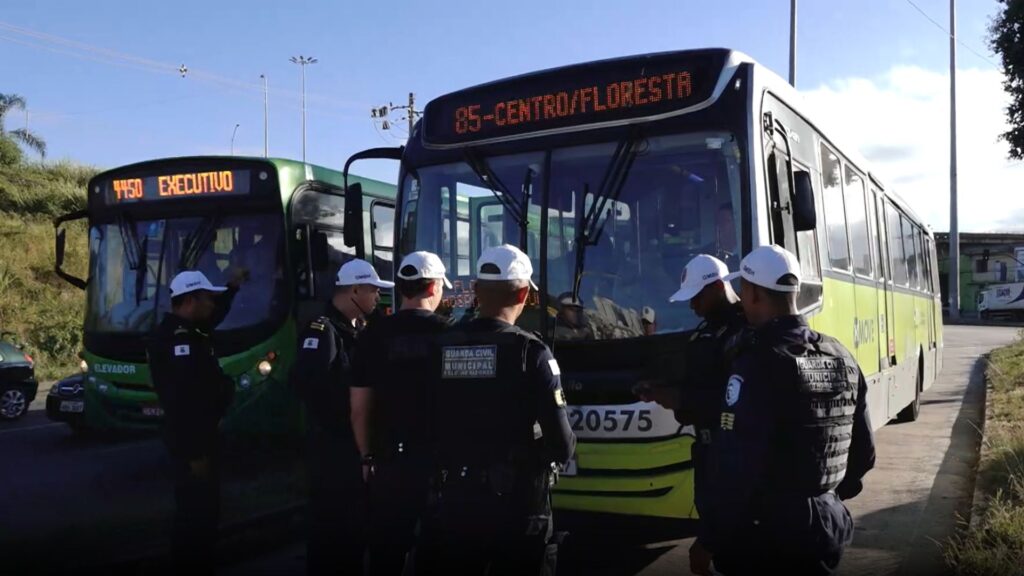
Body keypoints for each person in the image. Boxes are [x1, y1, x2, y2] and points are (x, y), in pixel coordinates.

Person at [697, 245, 876, 576]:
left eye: (743, 289)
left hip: (765, 540)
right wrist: (825, 496)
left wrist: (709, 539)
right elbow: (863, 453)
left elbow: (736, 469)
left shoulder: (757, 363)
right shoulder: (841, 355)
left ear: (752, 294)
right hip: (826, 530)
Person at [414, 244, 576, 576]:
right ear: (522, 297)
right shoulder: (531, 352)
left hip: (454, 500)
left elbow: (423, 420)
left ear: (475, 290)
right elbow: (562, 442)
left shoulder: (440, 347)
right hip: (517, 505)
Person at [633, 254, 745, 574]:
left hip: (734, 455)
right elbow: (698, 385)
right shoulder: (704, 334)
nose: (692, 306)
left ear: (719, 287)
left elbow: (736, 402)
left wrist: (679, 397)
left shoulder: (746, 333)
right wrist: (665, 391)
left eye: (697, 297)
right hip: (709, 454)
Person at [287, 258, 394, 576]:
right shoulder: (323, 330)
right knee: (333, 531)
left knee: (352, 531)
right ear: (355, 290)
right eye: (373, 291)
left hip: (346, 446)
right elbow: (308, 383)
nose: (377, 298)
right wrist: (344, 416)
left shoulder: (353, 330)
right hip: (333, 450)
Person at [350, 251, 453, 576]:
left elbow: (359, 408)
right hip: (441, 464)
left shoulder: (372, 335)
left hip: (389, 461)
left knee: (386, 550)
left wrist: (366, 457)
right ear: (434, 287)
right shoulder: (451, 335)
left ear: (401, 287)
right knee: (437, 551)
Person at [146, 269, 243, 575]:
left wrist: (232, 288)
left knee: (205, 514)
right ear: (191, 300)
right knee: (195, 517)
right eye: (208, 299)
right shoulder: (179, 342)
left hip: (200, 441)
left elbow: (213, 317)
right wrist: (194, 453)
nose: (213, 306)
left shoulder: (188, 329)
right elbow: (183, 405)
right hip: (194, 446)